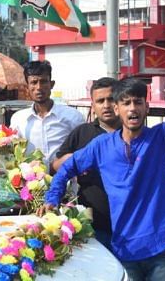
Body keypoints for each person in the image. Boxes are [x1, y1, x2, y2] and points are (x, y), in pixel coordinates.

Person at [44, 40, 165, 281]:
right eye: (126, 103)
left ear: (146, 107)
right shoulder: (100, 146)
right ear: (117, 109)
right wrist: (53, 197)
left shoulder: (160, 138)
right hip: (123, 248)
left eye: (138, 102)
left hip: (160, 247)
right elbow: (67, 167)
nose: (132, 108)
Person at [51, 77, 120, 250]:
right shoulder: (83, 133)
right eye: (100, 101)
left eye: (110, 99)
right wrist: (76, 161)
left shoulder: (132, 133)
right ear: (93, 105)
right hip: (93, 225)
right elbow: (56, 166)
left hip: (131, 227)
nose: (106, 105)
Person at [9, 60, 83, 164]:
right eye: (34, 82)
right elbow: (13, 151)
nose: (39, 87)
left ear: (51, 84)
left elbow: (83, 150)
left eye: (43, 81)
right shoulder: (19, 119)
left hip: (64, 177)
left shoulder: (72, 117)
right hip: (31, 178)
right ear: (27, 87)